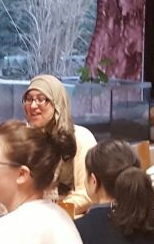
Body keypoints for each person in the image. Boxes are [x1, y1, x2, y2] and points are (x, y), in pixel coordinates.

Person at [23, 75, 98, 214]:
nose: (33, 106)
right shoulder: (22, 140)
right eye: (29, 99)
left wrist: (54, 213)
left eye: (41, 99)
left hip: (70, 217)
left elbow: (87, 193)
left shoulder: (80, 137)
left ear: (57, 102)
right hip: (31, 216)